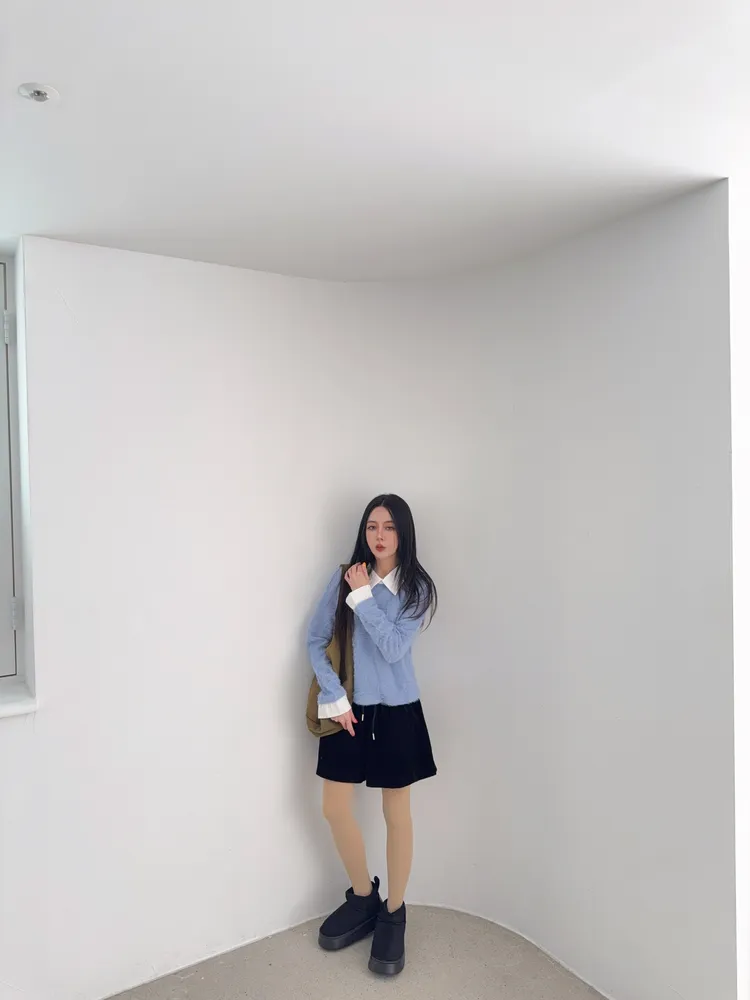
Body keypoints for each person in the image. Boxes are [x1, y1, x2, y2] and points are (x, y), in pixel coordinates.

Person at [306, 493, 438, 977]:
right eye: (371, 526)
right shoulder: (347, 576)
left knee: (396, 814)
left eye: (389, 527)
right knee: (333, 807)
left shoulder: (417, 589)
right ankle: (364, 897)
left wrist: (362, 596)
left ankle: (394, 913)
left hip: (398, 714)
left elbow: (393, 648)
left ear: (404, 533)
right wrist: (334, 695)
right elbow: (315, 640)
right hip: (347, 711)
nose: (379, 536)